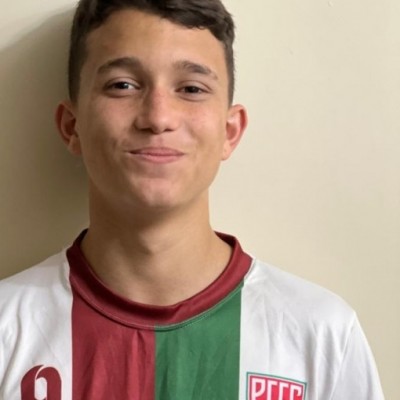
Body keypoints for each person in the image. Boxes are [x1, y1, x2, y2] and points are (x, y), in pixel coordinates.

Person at [0, 0, 384, 399]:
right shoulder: (7, 331)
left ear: (230, 132)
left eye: (191, 89)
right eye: (122, 85)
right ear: (71, 126)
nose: (158, 117)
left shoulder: (321, 336)